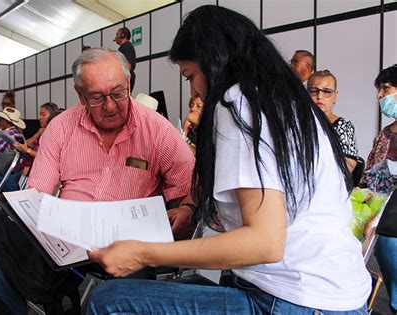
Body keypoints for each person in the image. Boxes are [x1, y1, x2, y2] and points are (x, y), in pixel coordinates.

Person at [87, 6, 370, 314]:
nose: (194, 89)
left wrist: (143, 254)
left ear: (214, 62)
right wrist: (190, 206)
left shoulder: (238, 102)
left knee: (108, 300)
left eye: (191, 76)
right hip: (335, 294)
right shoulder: (286, 102)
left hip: (294, 298)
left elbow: (265, 242)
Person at [0, 48, 195, 314]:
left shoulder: (158, 130)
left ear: (128, 84)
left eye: (117, 93)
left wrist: (186, 210)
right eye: (97, 97)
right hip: (66, 236)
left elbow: (189, 188)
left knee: (127, 297)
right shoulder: (61, 127)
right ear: (80, 94)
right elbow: (38, 193)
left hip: (128, 243)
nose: (111, 106)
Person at [361, 64, 397, 313]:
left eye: (386, 89)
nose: (380, 96)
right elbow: (368, 175)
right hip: (374, 220)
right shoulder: (383, 135)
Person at [308, 70, 358, 172]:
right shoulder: (297, 124)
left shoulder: (344, 126)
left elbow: (348, 166)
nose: (319, 96)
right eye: (314, 91)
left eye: (327, 92)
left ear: (335, 95)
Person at [13, 102, 59, 177]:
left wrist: (27, 150)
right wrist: (38, 133)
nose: (40, 118)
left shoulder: (54, 133)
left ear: (52, 116)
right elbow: (27, 143)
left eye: (43, 115)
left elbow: (45, 156)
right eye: (40, 115)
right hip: (28, 165)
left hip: (39, 170)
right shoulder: (41, 131)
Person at [0, 107, 26, 192]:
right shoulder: (18, 134)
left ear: (5, 121)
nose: (0, 122)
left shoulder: (6, 135)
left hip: (4, 169)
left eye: (1, 120)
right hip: (14, 169)